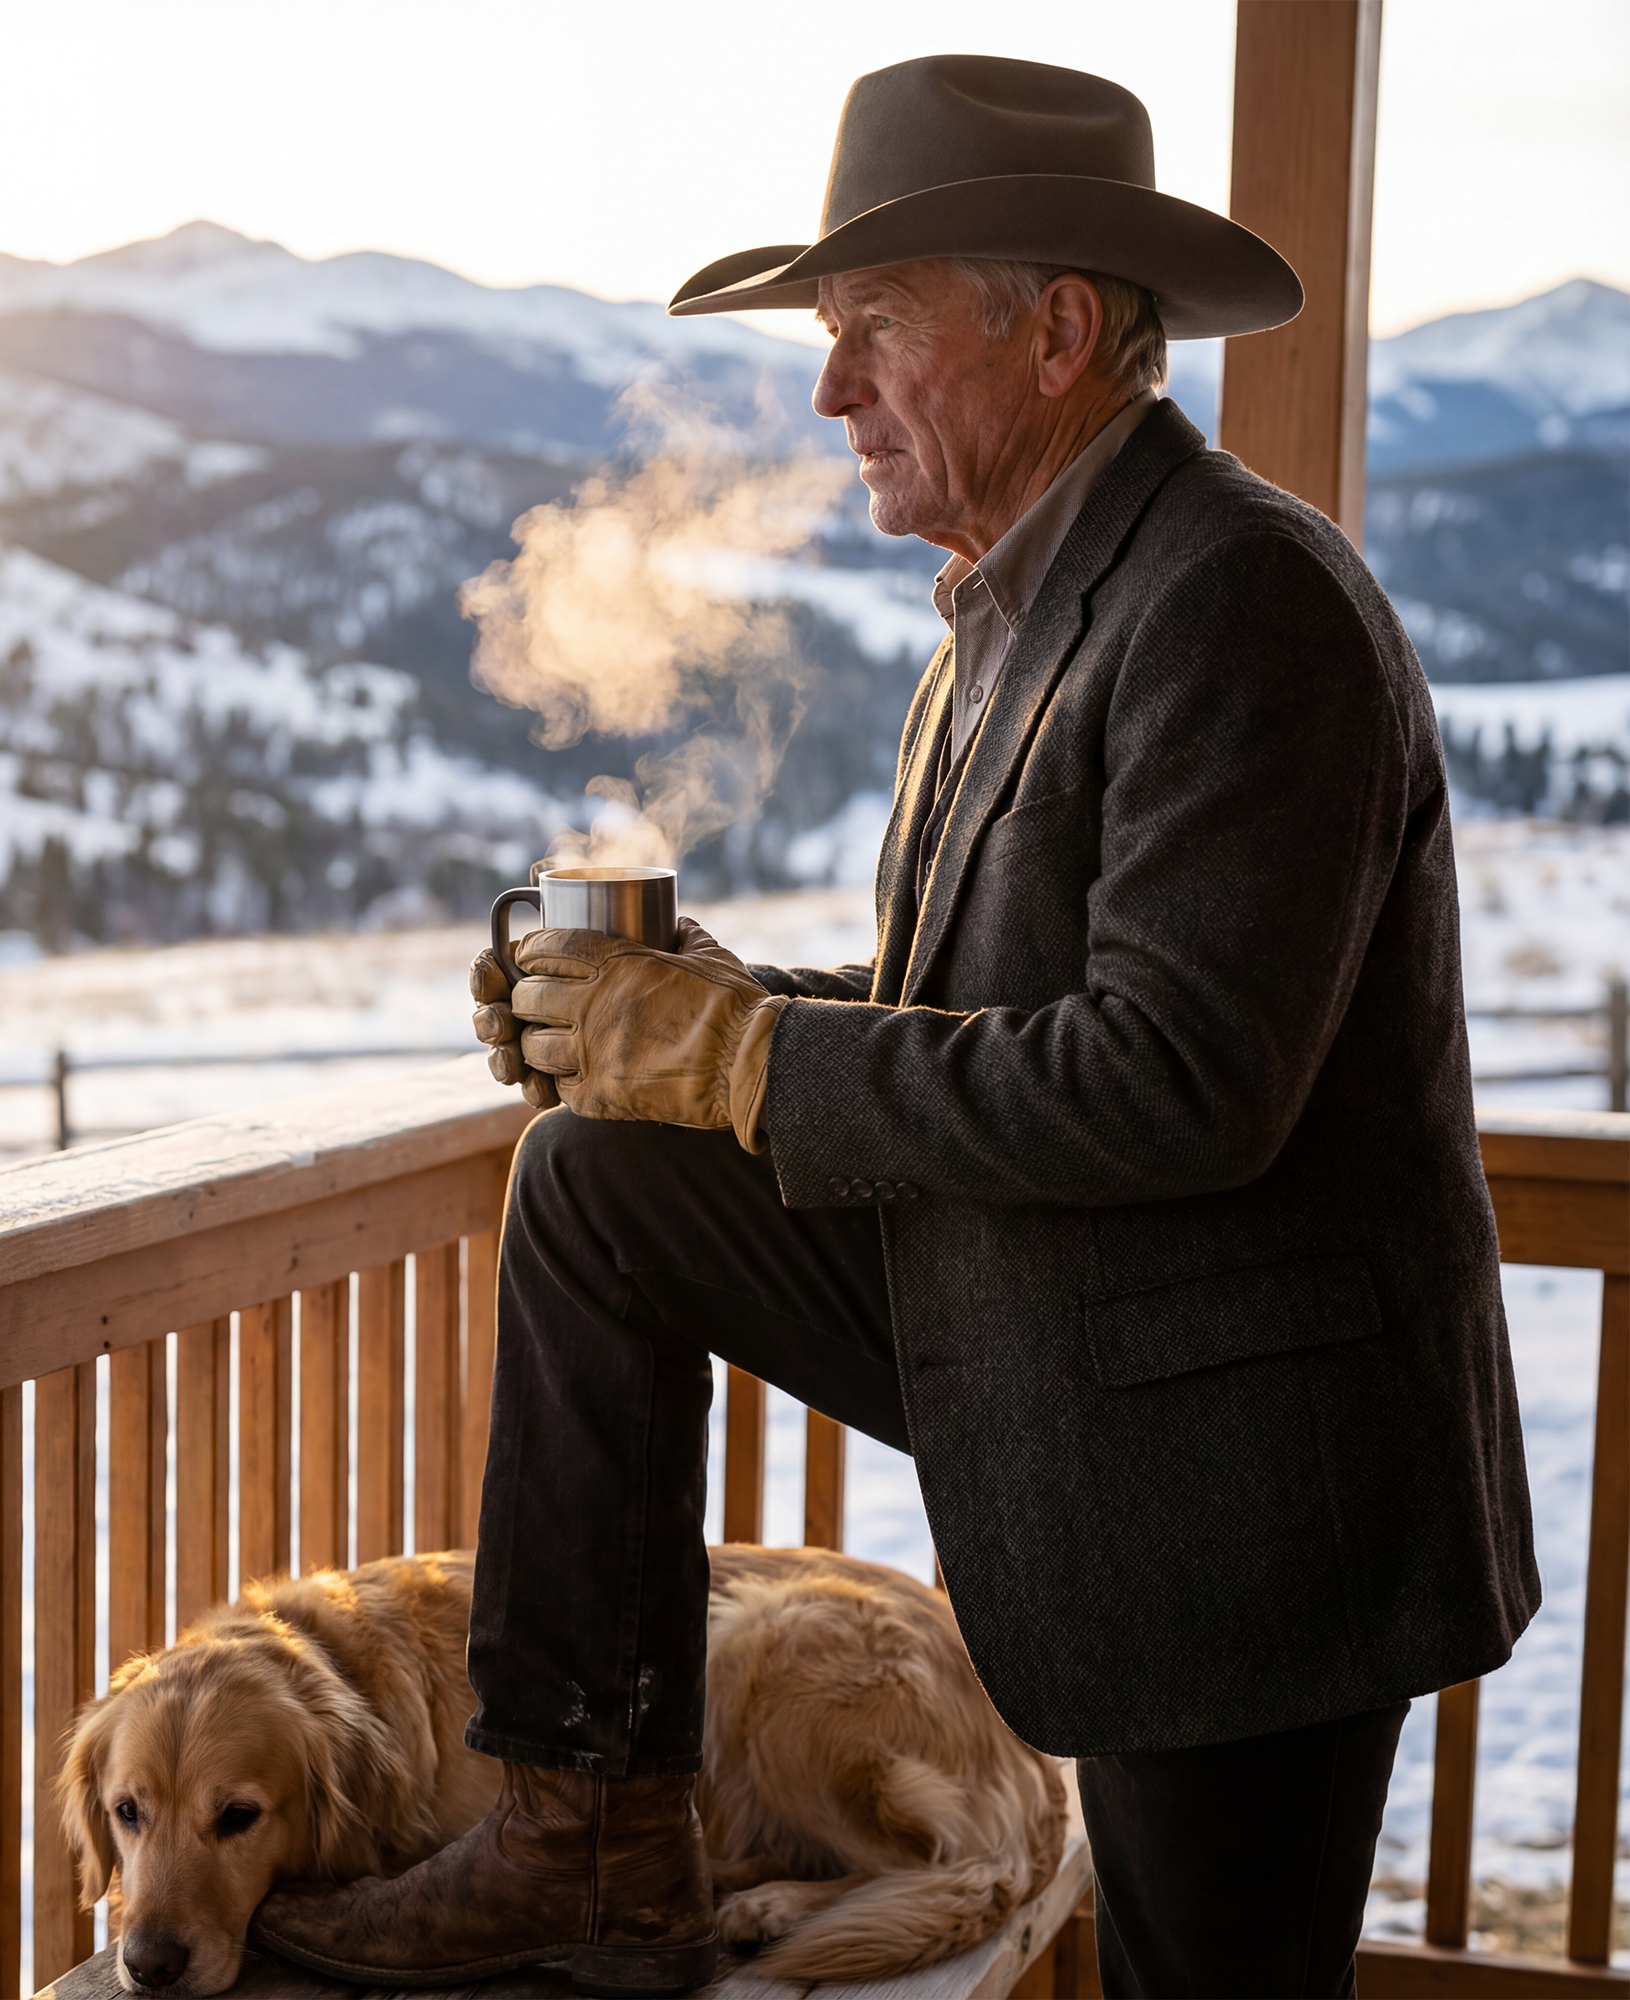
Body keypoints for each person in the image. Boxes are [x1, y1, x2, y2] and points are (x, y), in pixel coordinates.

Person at [256, 54, 1538, 2000]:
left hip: (1244, 1472)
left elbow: (1179, 1080)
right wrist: (693, 1023)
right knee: (601, 1179)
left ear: (1058, 333)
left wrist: (740, 1059)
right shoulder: (1009, 618)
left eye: (872, 328)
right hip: (1076, 1326)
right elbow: (972, 1017)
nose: (829, 390)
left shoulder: (1239, 601)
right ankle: (590, 1835)